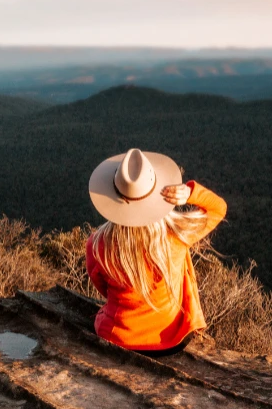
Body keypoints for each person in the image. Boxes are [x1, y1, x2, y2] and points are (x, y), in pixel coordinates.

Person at [85, 148, 227, 357]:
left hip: (117, 338)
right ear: (156, 195)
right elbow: (218, 209)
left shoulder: (97, 244)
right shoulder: (177, 236)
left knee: (101, 314)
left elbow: (102, 287)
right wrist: (189, 193)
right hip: (171, 340)